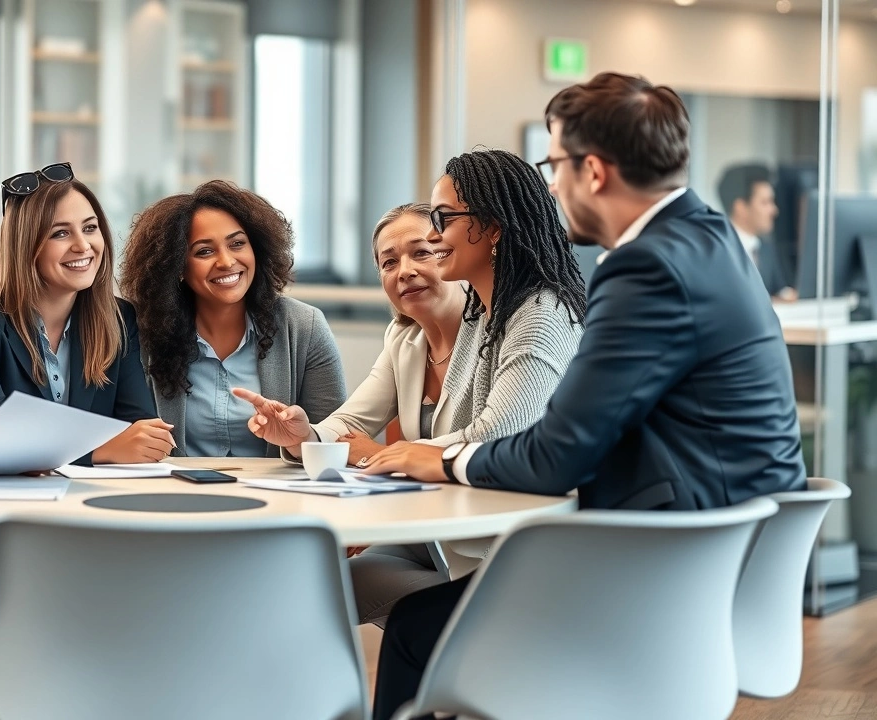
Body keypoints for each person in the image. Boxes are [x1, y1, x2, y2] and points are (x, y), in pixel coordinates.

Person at [364, 72, 808, 720]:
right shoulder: (707, 235)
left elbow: (556, 457)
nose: (551, 186)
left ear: (593, 171)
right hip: (723, 547)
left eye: (555, 164)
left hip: (671, 567)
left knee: (413, 627)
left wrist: (443, 459)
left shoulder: (646, 266)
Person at [241, 150, 587, 624]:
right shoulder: (423, 333)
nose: (406, 268)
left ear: (490, 228)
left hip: (504, 540)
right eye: (388, 262)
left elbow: (497, 435)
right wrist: (304, 436)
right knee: (310, 579)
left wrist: (371, 454)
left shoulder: (527, 314)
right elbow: (352, 423)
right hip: (446, 527)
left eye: (428, 243)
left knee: (332, 593)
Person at [0, 164, 167, 465]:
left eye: (89, 228)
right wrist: (98, 450)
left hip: (90, 494)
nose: (83, 246)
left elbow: (140, 432)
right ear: (25, 245)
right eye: (60, 233)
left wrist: (132, 443)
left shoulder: (119, 318)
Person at [118, 180, 347, 457]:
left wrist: (299, 440)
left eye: (237, 244)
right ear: (177, 266)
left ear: (257, 250)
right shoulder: (140, 332)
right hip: (177, 495)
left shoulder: (304, 326)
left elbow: (337, 442)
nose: (226, 262)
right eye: (204, 251)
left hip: (278, 496)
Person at [718, 163, 797, 302]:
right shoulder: (716, 249)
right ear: (740, 207)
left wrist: (786, 295)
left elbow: (779, 289)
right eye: (765, 202)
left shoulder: (766, 248)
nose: (774, 210)